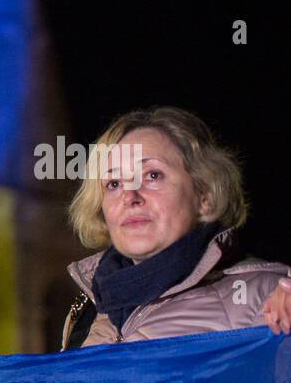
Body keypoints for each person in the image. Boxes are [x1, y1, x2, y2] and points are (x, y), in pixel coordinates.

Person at [61, 106, 291, 350]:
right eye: (114, 183)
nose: (129, 196)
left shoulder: (267, 298)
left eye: (152, 175)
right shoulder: (87, 313)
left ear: (204, 195)